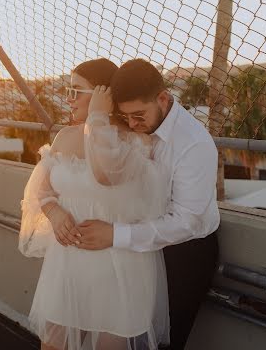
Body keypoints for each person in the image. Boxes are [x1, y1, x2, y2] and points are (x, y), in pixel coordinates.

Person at [19, 58, 170, 350]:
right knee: (51, 344)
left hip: (117, 267)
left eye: (77, 91)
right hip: (68, 263)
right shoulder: (64, 137)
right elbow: (42, 188)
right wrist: (54, 211)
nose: (68, 99)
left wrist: (98, 119)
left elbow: (105, 175)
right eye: (68, 90)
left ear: (105, 95)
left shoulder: (137, 141)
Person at [73, 59, 220, 350]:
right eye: (125, 116)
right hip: (133, 249)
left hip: (183, 253)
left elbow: (185, 222)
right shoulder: (131, 126)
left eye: (138, 115)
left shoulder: (194, 143)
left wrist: (114, 235)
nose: (132, 124)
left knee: (162, 342)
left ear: (163, 99)